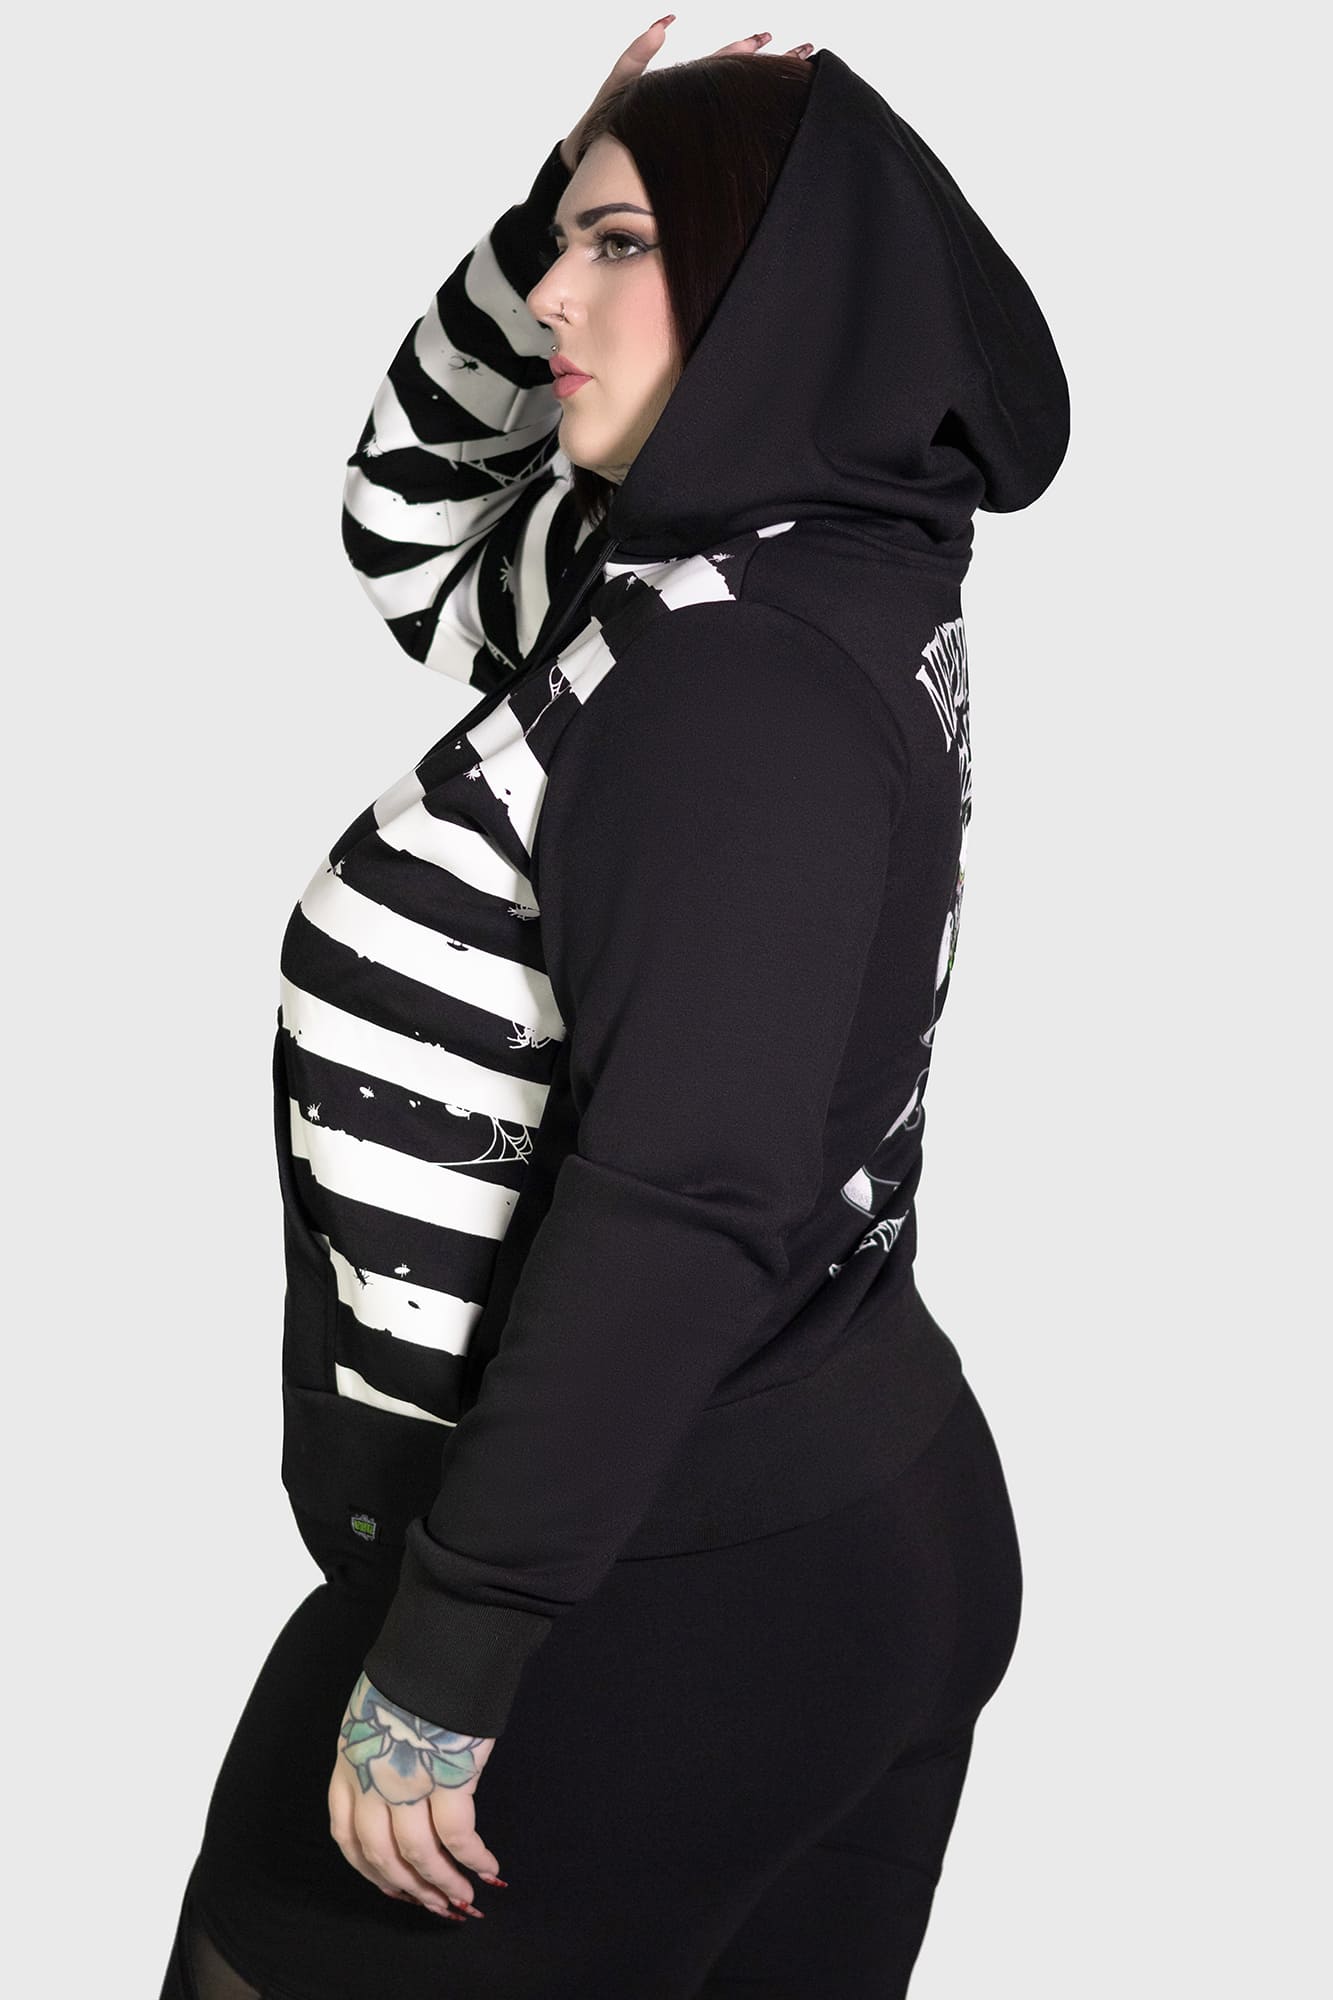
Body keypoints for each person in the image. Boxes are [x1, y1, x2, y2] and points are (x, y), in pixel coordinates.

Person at [158, 18, 1068, 1999]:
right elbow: (414, 527)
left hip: (648, 1590)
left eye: (622, 245)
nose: (554, 299)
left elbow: (683, 1198)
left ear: (776, 280)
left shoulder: (730, 686)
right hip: (807, 1515)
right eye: (565, 246)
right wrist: (545, 208)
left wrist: (453, 1648)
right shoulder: (765, 558)